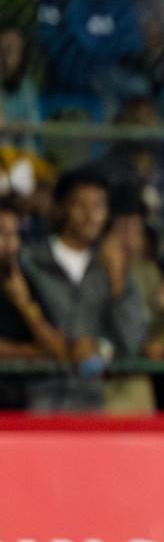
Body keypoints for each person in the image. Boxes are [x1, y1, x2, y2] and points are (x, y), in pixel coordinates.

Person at [18, 169, 147, 411]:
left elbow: (130, 345)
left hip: (92, 405)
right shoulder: (30, 263)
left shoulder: (111, 267)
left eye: (98, 206)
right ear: (62, 208)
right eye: (80, 205)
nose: (90, 216)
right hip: (36, 402)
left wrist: (102, 349)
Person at [0, 196, 69, 408]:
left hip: (26, 404)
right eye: (2, 233)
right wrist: (34, 352)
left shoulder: (25, 281)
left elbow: (57, 350)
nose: (10, 243)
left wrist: (24, 304)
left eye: (15, 234)